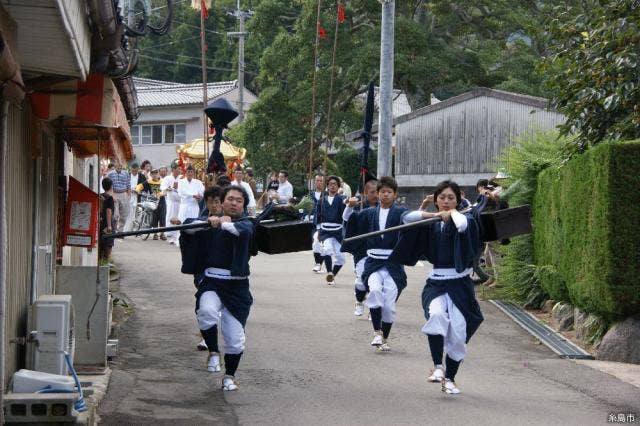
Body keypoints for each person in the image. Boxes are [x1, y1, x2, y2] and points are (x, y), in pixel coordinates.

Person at [393, 180, 484, 394]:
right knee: (436, 315)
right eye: (442, 198)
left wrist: (451, 214)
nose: (446, 201)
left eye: (451, 198)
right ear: (435, 200)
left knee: (459, 333)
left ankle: (450, 379)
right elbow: (405, 218)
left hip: (460, 284)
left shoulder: (467, 219)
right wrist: (432, 216)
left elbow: (461, 224)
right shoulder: (431, 222)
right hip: (436, 283)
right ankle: (437, 367)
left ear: (458, 200)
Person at [179, 186, 256, 391]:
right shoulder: (209, 223)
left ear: (243, 205)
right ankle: (213, 352)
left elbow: (242, 231)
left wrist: (223, 223)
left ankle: (229, 376)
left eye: (239, 200)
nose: (233, 203)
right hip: (212, 282)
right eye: (229, 199)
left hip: (237, 288)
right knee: (206, 311)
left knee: (235, 339)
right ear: (221, 203)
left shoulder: (247, 223)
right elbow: (186, 228)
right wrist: (209, 222)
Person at [343, 177, 407, 350]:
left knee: (389, 306)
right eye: (382, 192)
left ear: (395, 195)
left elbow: (414, 219)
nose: (385, 195)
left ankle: (383, 337)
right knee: (375, 290)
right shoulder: (369, 213)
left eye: (389, 192)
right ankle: (377, 332)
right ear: (378, 194)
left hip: (393, 265)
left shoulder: (401, 213)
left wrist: (425, 210)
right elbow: (351, 220)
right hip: (372, 263)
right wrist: (349, 207)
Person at [341, 178, 378, 316]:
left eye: (377, 192)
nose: (376, 195)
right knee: (362, 281)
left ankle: (374, 309)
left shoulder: (385, 207)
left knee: (376, 283)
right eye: (372, 192)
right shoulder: (359, 206)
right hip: (362, 250)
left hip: (379, 250)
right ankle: (359, 301)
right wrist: (349, 206)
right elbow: (346, 219)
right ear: (365, 193)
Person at [314, 175, 346, 285]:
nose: (332, 186)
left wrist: (349, 204)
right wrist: (318, 230)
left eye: (335, 184)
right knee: (327, 250)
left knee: (341, 259)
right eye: (330, 184)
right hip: (325, 231)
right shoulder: (322, 200)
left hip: (338, 232)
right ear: (327, 186)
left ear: (338, 187)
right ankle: (329, 272)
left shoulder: (342, 199)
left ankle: (332, 276)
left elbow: (347, 214)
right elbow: (317, 215)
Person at [137, 168, 166, 240]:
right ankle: (155, 233)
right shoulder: (148, 182)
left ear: (158, 174)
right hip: (152, 202)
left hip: (161, 201)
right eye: (153, 173)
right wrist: (137, 190)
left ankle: (162, 234)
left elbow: (165, 191)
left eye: (156, 173)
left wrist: (159, 194)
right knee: (155, 217)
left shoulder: (162, 182)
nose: (155, 175)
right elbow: (140, 186)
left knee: (162, 217)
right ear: (151, 174)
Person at [107, 162, 131, 232]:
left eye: (120, 165)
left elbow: (128, 184)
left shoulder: (126, 173)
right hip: (114, 193)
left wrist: (129, 195)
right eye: (118, 164)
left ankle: (120, 231)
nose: (119, 166)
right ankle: (114, 229)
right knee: (115, 215)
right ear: (115, 165)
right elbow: (109, 186)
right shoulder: (110, 174)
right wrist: (112, 195)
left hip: (124, 193)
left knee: (123, 214)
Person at [162, 163, 182, 245]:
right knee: (170, 217)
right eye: (178, 169)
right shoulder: (167, 178)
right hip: (171, 201)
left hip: (180, 202)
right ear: (173, 169)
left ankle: (177, 236)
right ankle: (170, 237)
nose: (179, 170)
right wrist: (168, 188)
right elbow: (163, 187)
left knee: (179, 218)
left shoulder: (181, 178)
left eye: (180, 169)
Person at [311, 174, 326, 273]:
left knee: (322, 244)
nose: (318, 182)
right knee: (315, 244)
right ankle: (318, 263)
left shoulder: (327, 195)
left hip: (324, 223)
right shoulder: (310, 194)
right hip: (313, 222)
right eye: (317, 180)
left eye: (320, 181)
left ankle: (319, 264)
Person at [99, 177, 116, 262]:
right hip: (107, 222)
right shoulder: (109, 198)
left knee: (101, 241)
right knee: (108, 242)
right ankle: (106, 261)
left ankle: (101, 260)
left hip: (100, 222)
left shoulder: (100, 196)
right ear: (111, 186)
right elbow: (109, 211)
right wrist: (109, 225)